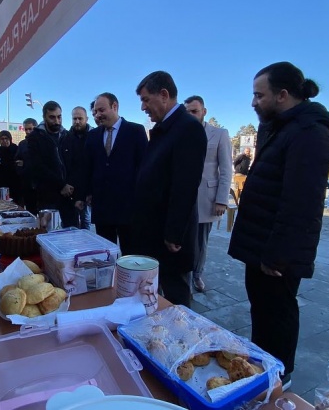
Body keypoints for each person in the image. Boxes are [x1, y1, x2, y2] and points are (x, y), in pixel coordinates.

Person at [228, 62, 329, 390]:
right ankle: (262, 364)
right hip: (261, 244)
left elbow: (301, 204)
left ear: (282, 95)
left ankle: (279, 374)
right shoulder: (279, 127)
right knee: (262, 310)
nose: (253, 102)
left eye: (258, 95)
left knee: (277, 313)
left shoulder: (309, 133)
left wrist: (278, 256)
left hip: (277, 253)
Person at [131, 71, 207, 307]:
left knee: (175, 298)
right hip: (153, 230)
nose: (143, 107)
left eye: (145, 99)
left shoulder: (188, 128)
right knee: (155, 294)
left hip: (170, 237)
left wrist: (174, 233)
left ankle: (180, 341)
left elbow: (185, 185)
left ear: (164, 95)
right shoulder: (166, 127)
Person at [80, 93, 148, 253]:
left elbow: (144, 167)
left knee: (130, 253)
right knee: (105, 253)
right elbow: (87, 167)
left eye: (101, 110)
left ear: (115, 106)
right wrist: (86, 193)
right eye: (95, 112)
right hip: (102, 207)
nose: (98, 115)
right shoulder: (93, 136)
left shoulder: (136, 131)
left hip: (129, 207)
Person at [184, 95, 232, 292]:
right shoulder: (181, 132)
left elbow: (226, 168)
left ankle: (197, 274)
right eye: (187, 112)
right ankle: (184, 272)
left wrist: (222, 199)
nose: (191, 115)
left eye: (194, 111)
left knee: (201, 240)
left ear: (204, 111)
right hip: (184, 195)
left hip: (207, 196)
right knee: (183, 238)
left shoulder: (219, 134)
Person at [27, 101, 76, 225]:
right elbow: (37, 167)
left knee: (71, 234)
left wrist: (69, 185)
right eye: (52, 117)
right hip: (47, 196)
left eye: (59, 117)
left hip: (68, 195)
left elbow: (74, 163)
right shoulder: (35, 137)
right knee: (47, 232)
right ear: (44, 117)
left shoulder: (67, 136)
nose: (57, 121)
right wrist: (61, 185)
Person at [62, 106, 93, 229]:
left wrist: (89, 192)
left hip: (86, 190)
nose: (77, 121)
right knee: (69, 225)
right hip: (69, 191)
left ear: (86, 119)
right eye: (74, 118)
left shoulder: (93, 137)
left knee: (86, 223)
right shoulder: (66, 138)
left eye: (80, 118)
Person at [16, 118, 38, 213]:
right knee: (30, 212)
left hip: (42, 185)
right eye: (26, 129)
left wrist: (26, 163)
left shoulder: (44, 142)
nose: (28, 131)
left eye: (30, 129)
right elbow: (17, 161)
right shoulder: (22, 144)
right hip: (27, 184)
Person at [0, 131, 20, 200]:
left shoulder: (16, 150)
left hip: (15, 184)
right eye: (2, 139)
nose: (4, 141)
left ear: (10, 139)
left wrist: (2, 162)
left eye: (6, 138)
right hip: (0, 185)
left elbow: (16, 165)